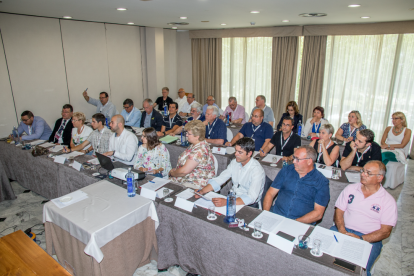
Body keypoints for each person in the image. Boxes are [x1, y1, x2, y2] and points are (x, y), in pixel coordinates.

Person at [331, 161, 397, 276]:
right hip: (342, 229)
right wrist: (342, 231)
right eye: (363, 171)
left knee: (357, 270)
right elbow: (339, 211)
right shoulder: (351, 188)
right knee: (320, 256)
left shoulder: (388, 201)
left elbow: (385, 231)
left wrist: (361, 239)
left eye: (368, 173)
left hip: (368, 238)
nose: (363, 174)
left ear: (379, 178)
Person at [263, 146, 330, 224]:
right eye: (294, 158)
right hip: (276, 215)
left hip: (301, 223)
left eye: (297, 159)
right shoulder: (287, 170)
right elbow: (270, 193)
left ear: (309, 161)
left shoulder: (321, 182)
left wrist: (294, 223)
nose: (294, 161)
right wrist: (266, 214)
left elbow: (318, 213)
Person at [196, 137, 265, 208]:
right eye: (236, 151)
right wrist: (202, 191)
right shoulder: (234, 162)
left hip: (249, 205)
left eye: (240, 152)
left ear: (249, 153)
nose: (236, 154)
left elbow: (251, 197)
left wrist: (227, 202)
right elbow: (221, 178)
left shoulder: (257, 170)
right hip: (233, 198)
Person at [169, 120, 215, 188]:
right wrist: (176, 170)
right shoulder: (197, 144)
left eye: (189, 133)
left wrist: (172, 173)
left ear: (197, 136)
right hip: (187, 177)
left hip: (194, 183)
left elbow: (184, 171)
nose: (186, 135)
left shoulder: (200, 150)